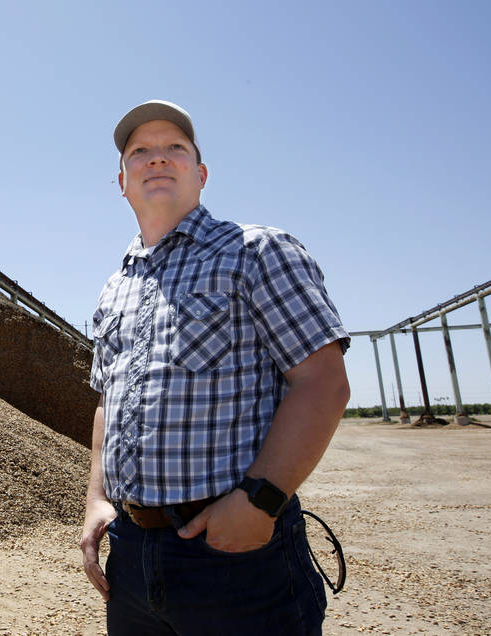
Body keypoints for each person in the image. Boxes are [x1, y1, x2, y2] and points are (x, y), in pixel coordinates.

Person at [80, 100, 351, 635]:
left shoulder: (256, 252)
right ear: (122, 181)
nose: (157, 159)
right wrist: (96, 500)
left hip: (236, 558)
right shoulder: (116, 288)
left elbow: (321, 382)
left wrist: (260, 501)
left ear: (199, 174)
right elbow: (106, 402)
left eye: (174, 148)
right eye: (141, 152)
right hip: (131, 555)